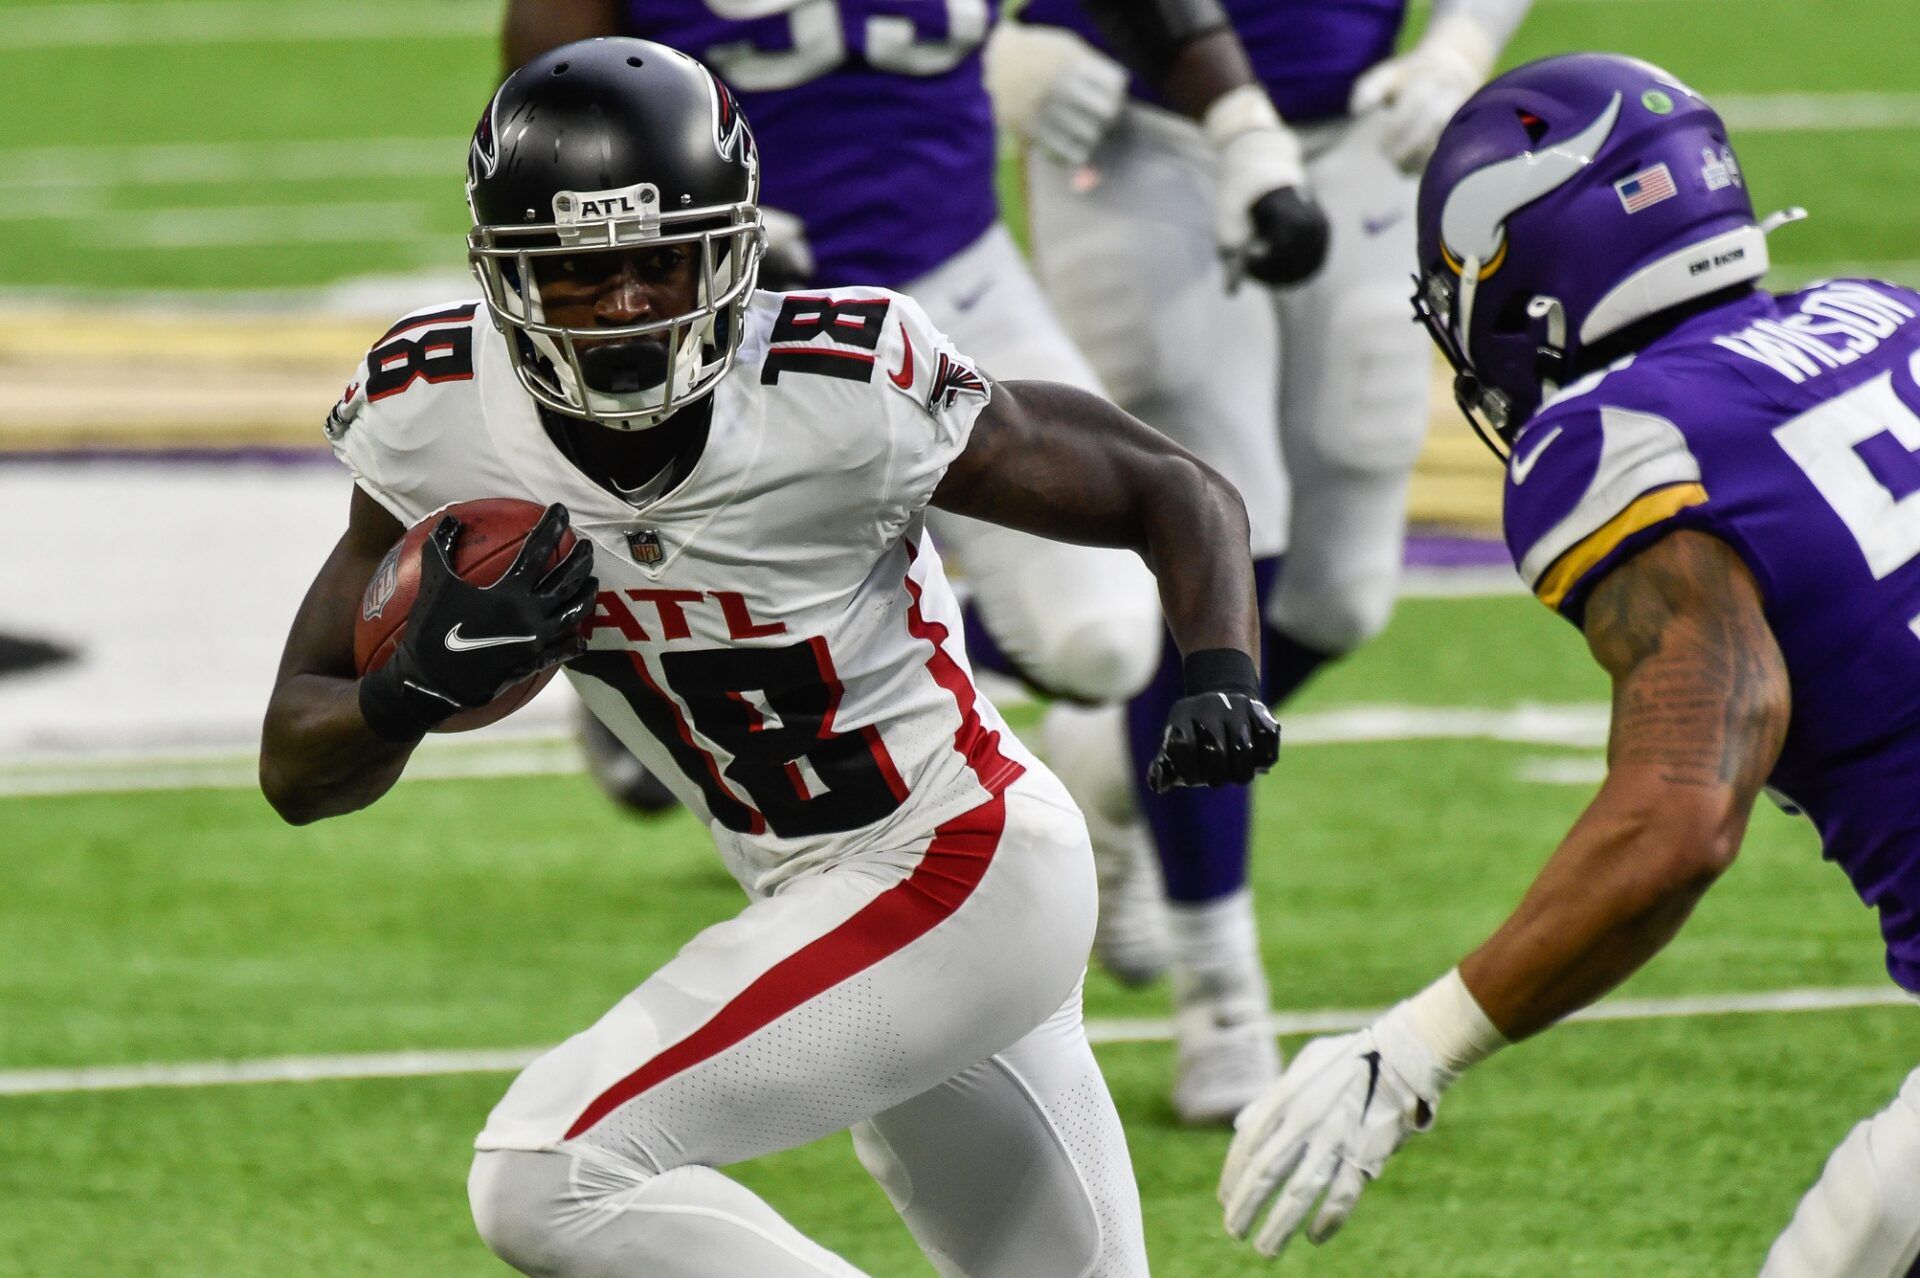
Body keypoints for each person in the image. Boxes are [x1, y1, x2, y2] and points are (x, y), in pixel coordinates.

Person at [261, 40, 1278, 1278]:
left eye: (658, 261)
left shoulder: (842, 388)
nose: (629, 304)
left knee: (545, 1175)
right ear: (505, 277)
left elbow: (1173, 488)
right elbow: (297, 766)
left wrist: (1220, 670)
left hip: (963, 860)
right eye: (580, 274)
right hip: (819, 900)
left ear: (732, 246)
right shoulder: (436, 418)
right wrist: (405, 692)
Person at [1218, 53, 1920, 1276]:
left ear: (1529, 270)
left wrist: (1415, 1048)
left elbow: (1682, 816)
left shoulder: (1613, 442)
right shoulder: (1883, 314)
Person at [501, 0, 1329, 825]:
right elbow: (548, 107)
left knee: (1103, 642)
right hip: (728, 309)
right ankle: (655, 654)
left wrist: (1243, 127)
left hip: (956, 273)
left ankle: (699, 658)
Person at [984, 0, 1532, 1125]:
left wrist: (1461, 44)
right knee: (1222, 534)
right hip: (1132, 128)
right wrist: (985, 46)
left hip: (1359, 123)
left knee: (1337, 594)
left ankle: (1113, 759)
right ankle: (1221, 993)